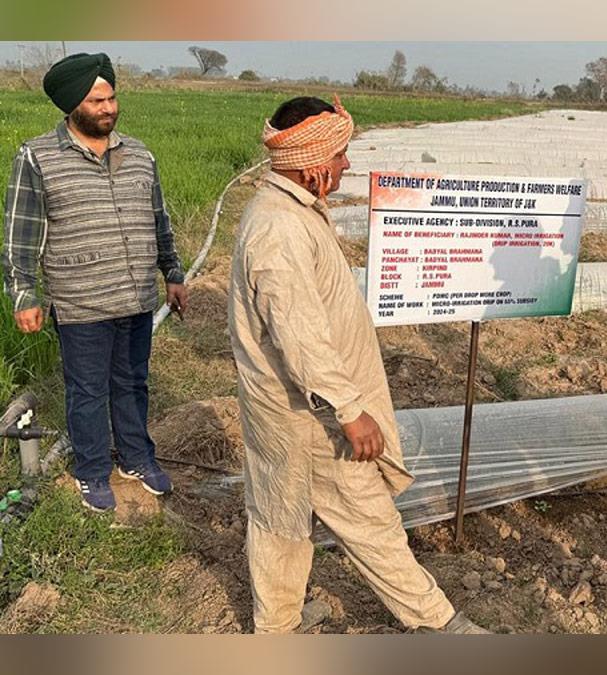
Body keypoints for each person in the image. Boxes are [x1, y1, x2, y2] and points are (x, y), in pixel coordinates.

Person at [228, 96, 486, 634]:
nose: (347, 165)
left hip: (286, 408)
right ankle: (441, 626)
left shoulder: (288, 210)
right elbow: (300, 335)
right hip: (310, 414)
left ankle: (276, 627)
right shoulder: (280, 228)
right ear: (314, 162)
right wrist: (349, 408)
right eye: (342, 155)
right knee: (370, 520)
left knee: (280, 517)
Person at [2, 52, 187, 511]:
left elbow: (159, 220)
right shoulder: (38, 157)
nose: (108, 108)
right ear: (72, 106)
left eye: (112, 98)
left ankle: (136, 458)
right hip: (81, 300)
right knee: (87, 392)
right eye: (97, 100)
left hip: (136, 296)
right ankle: (90, 470)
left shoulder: (140, 154)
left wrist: (173, 273)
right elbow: (20, 234)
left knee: (132, 383)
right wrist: (24, 294)